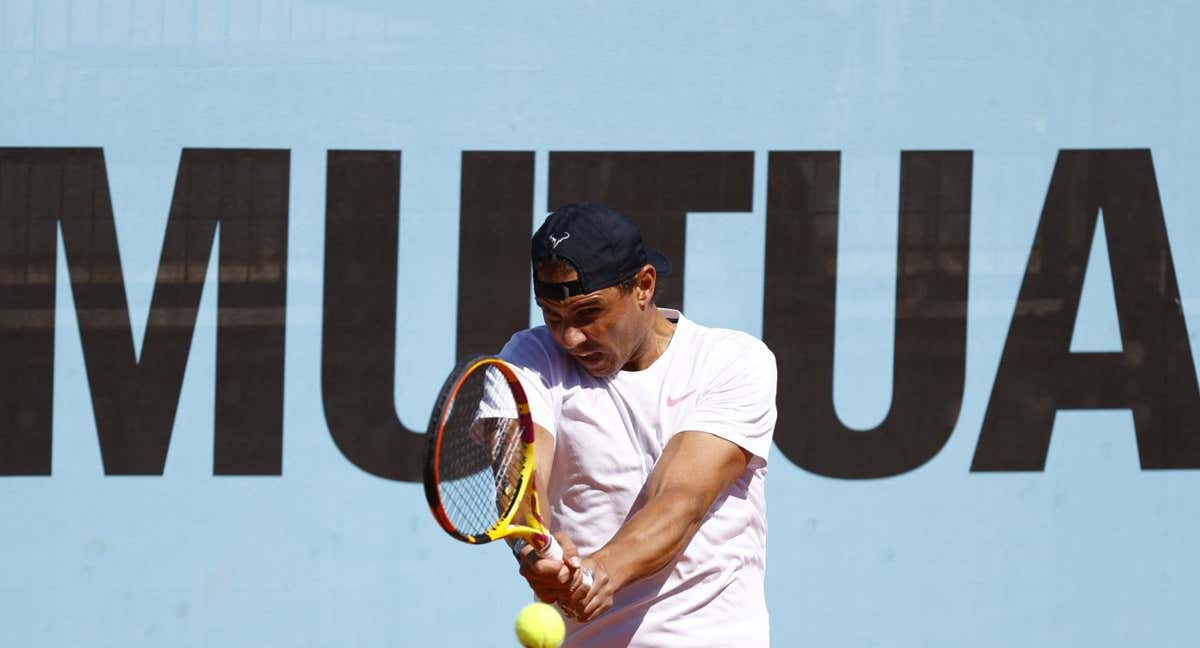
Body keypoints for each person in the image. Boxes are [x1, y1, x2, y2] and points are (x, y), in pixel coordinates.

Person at [501, 203, 777, 647]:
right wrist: (534, 546)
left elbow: (681, 500)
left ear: (644, 286)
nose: (569, 337)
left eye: (589, 313)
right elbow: (521, 471)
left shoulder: (732, 362)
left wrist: (601, 571)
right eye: (553, 316)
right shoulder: (529, 358)